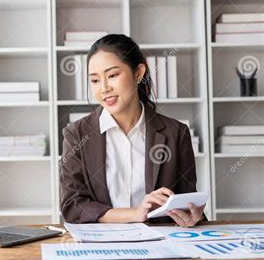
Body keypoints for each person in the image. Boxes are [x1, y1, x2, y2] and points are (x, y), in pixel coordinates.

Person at [60, 34, 206, 227]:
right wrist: (134, 213)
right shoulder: (76, 134)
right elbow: (73, 206)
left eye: (112, 75)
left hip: (159, 246)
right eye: (95, 80)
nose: (103, 88)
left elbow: (185, 202)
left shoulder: (176, 133)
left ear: (138, 74)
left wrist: (192, 216)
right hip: (101, 246)